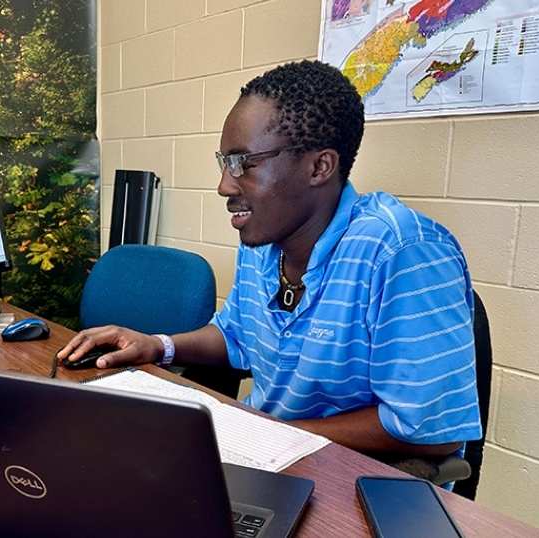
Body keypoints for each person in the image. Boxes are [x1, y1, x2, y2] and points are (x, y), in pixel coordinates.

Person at [58, 60, 481, 458]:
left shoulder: (404, 253)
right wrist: (157, 346)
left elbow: (430, 435)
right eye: (225, 163)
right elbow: (238, 337)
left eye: (245, 163)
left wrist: (266, 434)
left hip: (358, 486)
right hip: (268, 456)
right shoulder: (263, 242)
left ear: (320, 167)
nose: (225, 185)